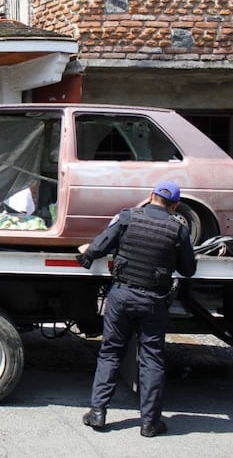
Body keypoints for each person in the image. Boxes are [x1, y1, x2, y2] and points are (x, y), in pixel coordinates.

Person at [76, 181, 196, 437]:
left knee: (110, 353)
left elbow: (98, 247)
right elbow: (189, 270)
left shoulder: (128, 217)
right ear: (175, 205)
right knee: (152, 359)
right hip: (154, 300)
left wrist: (86, 253)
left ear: (150, 196)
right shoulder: (178, 228)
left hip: (122, 296)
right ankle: (150, 423)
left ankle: (98, 413)